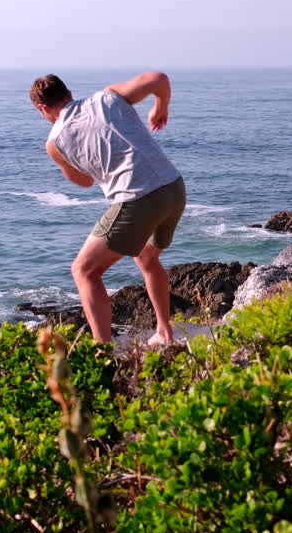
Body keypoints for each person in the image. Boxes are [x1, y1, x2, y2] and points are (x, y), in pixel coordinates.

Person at [30, 71, 186, 346]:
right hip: (173, 188)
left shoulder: (55, 143)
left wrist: (73, 161)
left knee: (84, 271)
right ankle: (164, 331)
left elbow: (85, 182)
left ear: (43, 108)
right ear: (68, 93)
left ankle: (103, 353)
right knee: (147, 259)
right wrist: (160, 108)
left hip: (139, 198)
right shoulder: (107, 97)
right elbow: (158, 79)